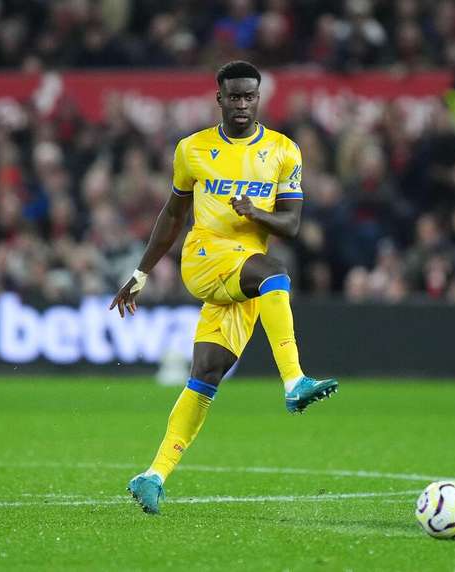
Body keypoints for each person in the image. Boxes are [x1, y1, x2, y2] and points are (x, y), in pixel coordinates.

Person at [109, 61, 339, 514]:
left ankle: (153, 475)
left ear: (258, 99)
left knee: (206, 375)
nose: (241, 104)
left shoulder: (283, 151)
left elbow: (291, 224)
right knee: (276, 273)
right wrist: (141, 273)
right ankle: (294, 380)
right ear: (219, 99)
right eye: (233, 97)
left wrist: (255, 213)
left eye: (248, 97)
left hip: (242, 276)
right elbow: (172, 215)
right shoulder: (192, 150)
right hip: (205, 258)